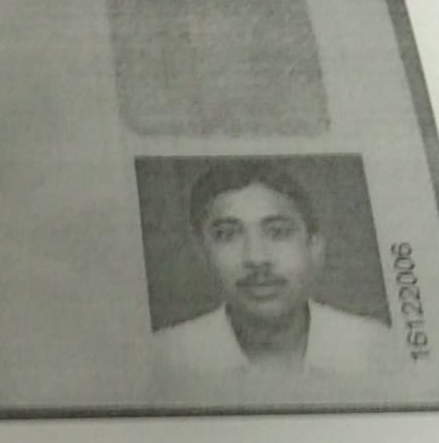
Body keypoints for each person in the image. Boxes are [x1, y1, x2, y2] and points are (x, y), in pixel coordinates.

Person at [154, 160, 398, 381]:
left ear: (314, 248)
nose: (256, 258)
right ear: (201, 253)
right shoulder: (164, 357)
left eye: (278, 232)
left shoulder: (377, 348)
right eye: (227, 235)